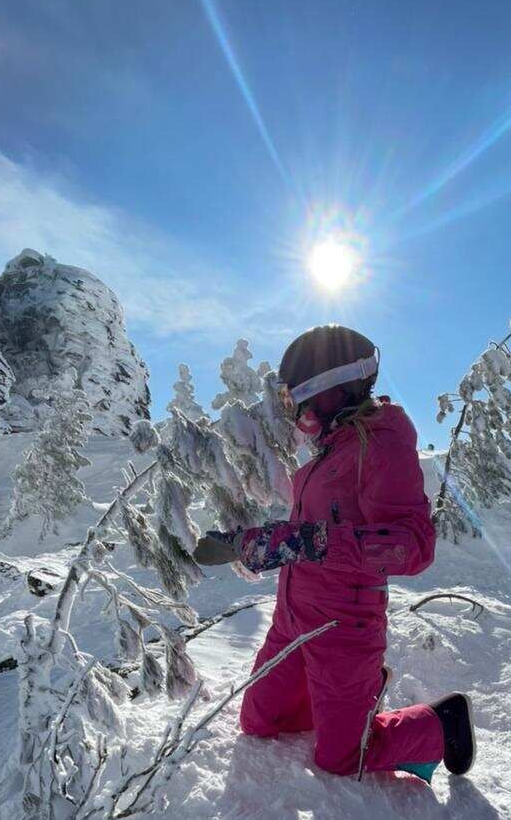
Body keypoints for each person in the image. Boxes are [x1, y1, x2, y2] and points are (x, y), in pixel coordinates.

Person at [193, 324, 475, 781]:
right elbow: (312, 531)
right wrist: (249, 541)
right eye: (289, 404)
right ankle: (353, 699)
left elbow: (414, 545)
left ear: (333, 390)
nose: (297, 415)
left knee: (340, 760)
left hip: (344, 625)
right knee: (259, 722)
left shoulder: (381, 442)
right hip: (292, 616)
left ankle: (440, 724)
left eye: (299, 402)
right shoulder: (327, 453)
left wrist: (313, 542)